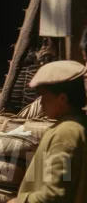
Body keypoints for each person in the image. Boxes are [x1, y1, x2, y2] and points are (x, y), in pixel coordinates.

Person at [12, 60, 87, 203]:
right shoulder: (76, 125)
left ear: (62, 99)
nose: (40, 103)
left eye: (44, 97)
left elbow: (55, 195)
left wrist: (21, 201)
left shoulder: (66, 133)